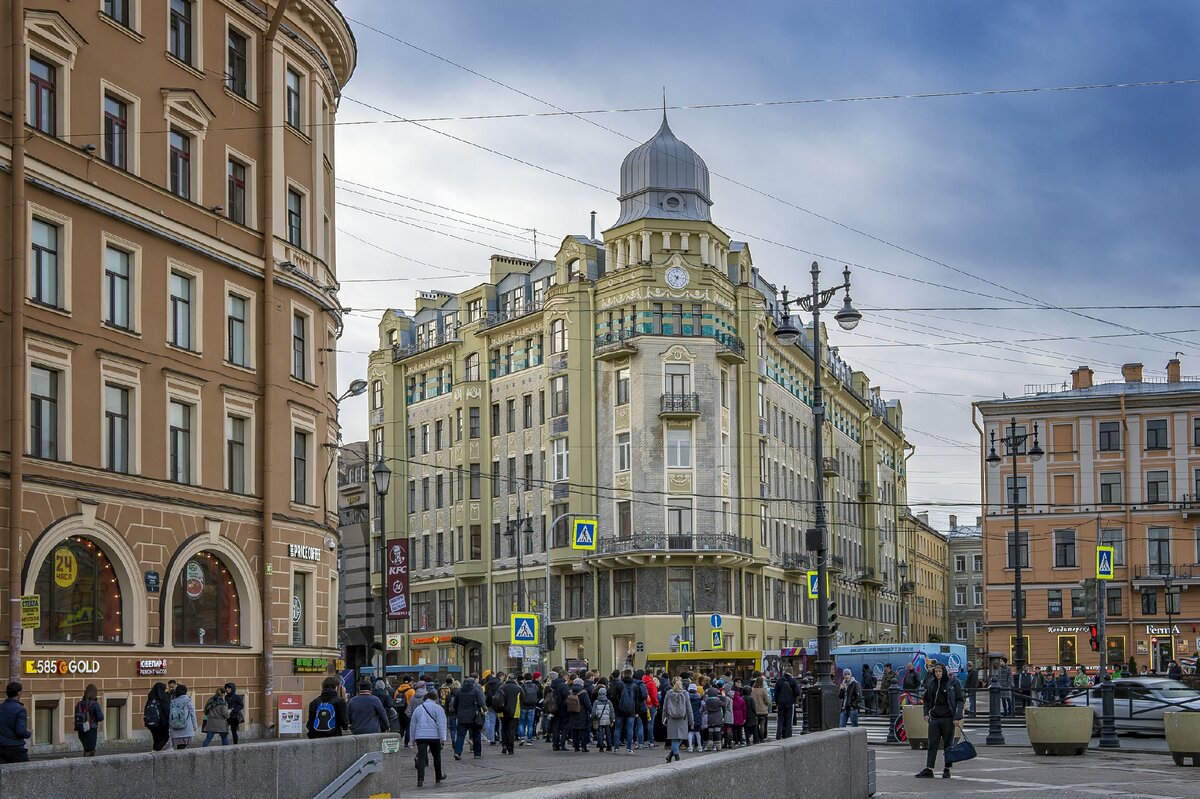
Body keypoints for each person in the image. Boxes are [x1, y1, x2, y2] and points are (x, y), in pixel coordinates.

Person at [915, 662, 963, 779]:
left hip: (948, 718)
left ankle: (947, 769)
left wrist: (957, 717)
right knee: (932, 744)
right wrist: (926, 713)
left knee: (948, 745)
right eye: (936, 671)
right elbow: (926, 700)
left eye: (940, 671)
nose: (938, 674)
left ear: (944, 671)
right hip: (935, 718)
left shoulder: (953, 682)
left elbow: (959, 700)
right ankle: (929, 768)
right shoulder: (932, 683)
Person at [410, 690, 448, 788]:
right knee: (436, 756)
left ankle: (420, 780)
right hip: (434, 736)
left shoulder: (418, 709)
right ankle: (438, 776)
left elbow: (413, 724)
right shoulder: (438, 708)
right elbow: (441, 724)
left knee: (422, 758)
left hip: (420, 736)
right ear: (435, 699)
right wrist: (442, 737)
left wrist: (412, 738)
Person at [452, 675, 486, 760]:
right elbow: (482, 703)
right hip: (474, 716)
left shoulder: (459, 692)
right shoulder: (476, 691)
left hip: (462, 717)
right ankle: (477, 753)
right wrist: (484, 711)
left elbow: (454, 705)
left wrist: (458, 713)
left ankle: (457, 752)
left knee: (460, 736)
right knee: (476, 735)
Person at [662, 677, 692, 762]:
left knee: (674, 739)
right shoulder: (685, 693)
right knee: (680, 737)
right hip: (683, 719)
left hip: (671, 719)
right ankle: (677, 758)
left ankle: (671, 756)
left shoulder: (669, 693)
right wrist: (691, 721)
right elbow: (689, 708)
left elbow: (665, 707)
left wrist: (663, 718)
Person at [0, 682, 31, 763]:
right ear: (19, 693)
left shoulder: (1, 707)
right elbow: (20, 732)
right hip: (15, 749)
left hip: (1, 748)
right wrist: (28, 733)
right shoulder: (20, 709)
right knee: (25, 773)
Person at [615, 669, 643, 753]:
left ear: (623, 675)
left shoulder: (619, 685)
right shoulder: (635, 686)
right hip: (631, 711)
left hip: (620, 710)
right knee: (630, 729)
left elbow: (613, 696)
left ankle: (616, 748)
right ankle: (629, 748)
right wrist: (637, 711)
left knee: (618, 729)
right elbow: (637, 700)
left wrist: (617, 706)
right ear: (631, 675)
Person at [73, 683, 105, 756]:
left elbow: (76, 716)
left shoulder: (79, 704)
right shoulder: (95, 704)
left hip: (81, 729)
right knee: (91, 751)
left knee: (86, 749)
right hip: (91, 730)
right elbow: (100, 718)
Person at [144, 682, 173, 751]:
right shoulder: (162, 698)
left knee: (156, 737)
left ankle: (155, 750)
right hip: (162, 722)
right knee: (165, 737)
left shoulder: (151, 697)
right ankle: (156, 750)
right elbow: (166, 710)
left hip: (151, 722)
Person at [498, 673, 521, 755]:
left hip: (502, 711)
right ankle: (510, 749)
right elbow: (523, 699)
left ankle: (504, 745)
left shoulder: (502, 687)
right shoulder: (518, 688)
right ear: (515, 680)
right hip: (514, 712)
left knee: (504, 729)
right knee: (511, 730)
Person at [566, 678, 592, 752]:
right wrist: (591, 712)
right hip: (582, 714)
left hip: (572, 713)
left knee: (574, 731)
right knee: (583, 730)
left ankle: (576, 747)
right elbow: (588, 704)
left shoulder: (570, 691)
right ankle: (584, 747)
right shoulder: (583, 692)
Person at [169, 684, 197, 749]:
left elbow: (170, 715)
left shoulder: (173, 701)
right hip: (186, 727)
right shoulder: (188, 701)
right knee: (183, 747)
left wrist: (170, 726)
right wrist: (194, 725)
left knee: (179, 746)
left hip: (175, 727)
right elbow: (193, 714)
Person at [773, 668, 799, 739]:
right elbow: (797, 692)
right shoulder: (793, 681)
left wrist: (777, 702)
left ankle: (778, 735)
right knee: (789, 719)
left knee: (780, 720)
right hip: (790, 702)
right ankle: (788, 735)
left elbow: (775, 693)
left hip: (780, 702)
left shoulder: (779, 681)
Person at [590, 685, 615, 752]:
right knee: (608, 733)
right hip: (607, 721)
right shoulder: (608, 702)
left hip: (599, 720)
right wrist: (612, 720)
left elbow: (594, 712)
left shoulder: (596, 702)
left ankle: (601, 746)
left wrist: (593, 717)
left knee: (600, 733)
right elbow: (611, 712)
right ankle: (609, 746)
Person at [518, 674, 539, 746]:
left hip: (523, 706)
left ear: (524, 678)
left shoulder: (522, 686)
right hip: (532, 707)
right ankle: (529, 740)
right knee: (530, 724)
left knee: (521, 722)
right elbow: (538, 694)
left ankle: (522, 738)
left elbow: (519, 696)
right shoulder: (535, 686)